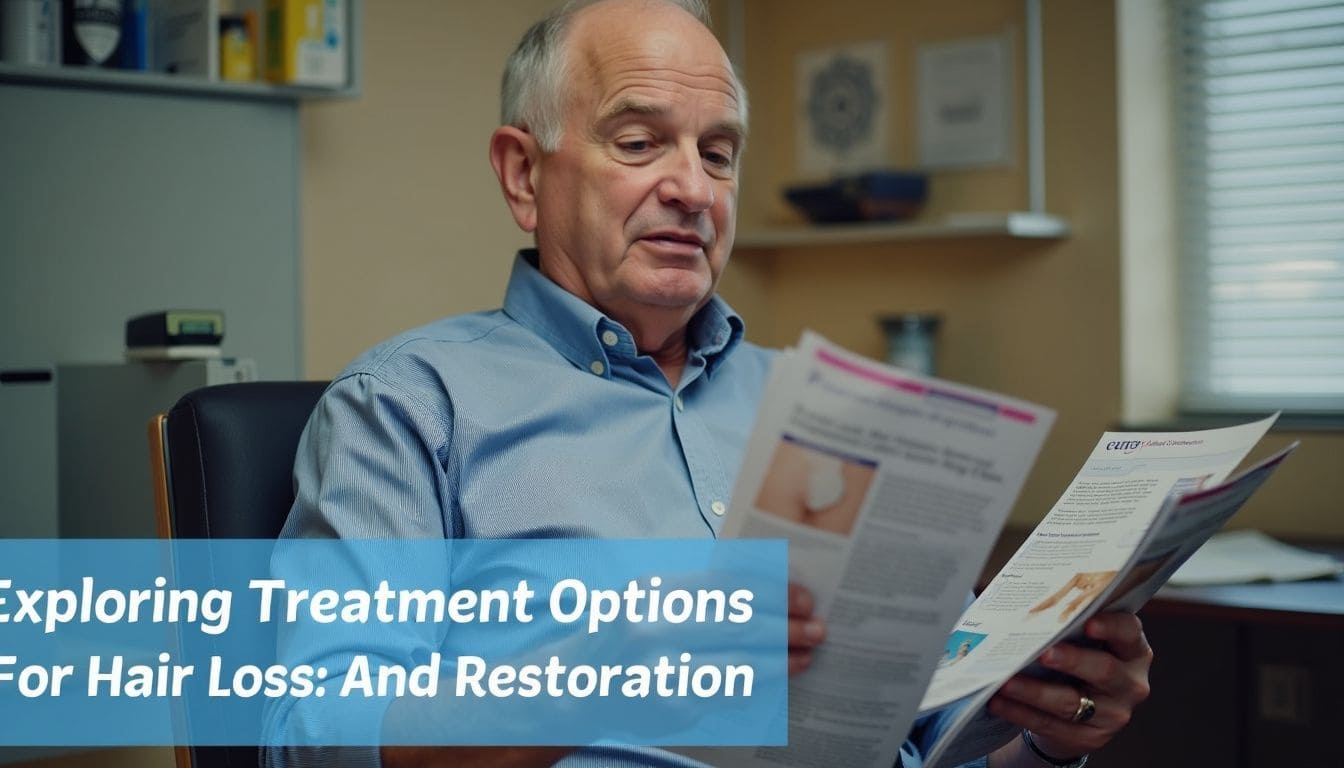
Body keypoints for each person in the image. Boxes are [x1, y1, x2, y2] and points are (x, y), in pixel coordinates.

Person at [269, 1, 1152, 766]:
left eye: (719, 154)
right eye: (641, 141)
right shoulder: (411, 403)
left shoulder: (837, 414)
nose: (692, 188)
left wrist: (1049, 733)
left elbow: (935, 737)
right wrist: (609, 666)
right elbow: (314, 734)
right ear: (523, 173)